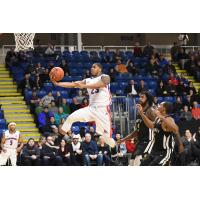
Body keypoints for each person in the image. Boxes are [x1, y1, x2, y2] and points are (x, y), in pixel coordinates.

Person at [50, 63, 115, 148]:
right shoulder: (87, 80)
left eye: (94, 67)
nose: (92, 68)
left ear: (99, 69)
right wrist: (58, 84)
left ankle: (115, 148)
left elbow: (101, 84)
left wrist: (84, 86)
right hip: (91, 109)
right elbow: (74, 84)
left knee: (107, 139)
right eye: (91, 67)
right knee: (70, 118)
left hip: (102, 111)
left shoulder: (105, 77)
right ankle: (62, 138)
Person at [120, 91, 156, 166]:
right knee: (131, 163)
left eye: (142, 97)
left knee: (138, 163)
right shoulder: (140, 112)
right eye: (139, 97)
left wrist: (142, 114)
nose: (140, 99)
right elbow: (137, 131)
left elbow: (153, 126)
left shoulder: (151, 110)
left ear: (148, 99)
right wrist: (124, 139)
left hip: (148, 141)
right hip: (140, 141)